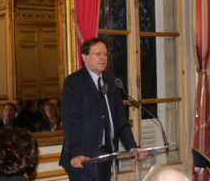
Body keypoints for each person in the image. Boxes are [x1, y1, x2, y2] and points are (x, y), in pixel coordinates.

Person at [59, 38, 146, 181]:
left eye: (105, 54)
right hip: (83, 158)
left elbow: (120, 120)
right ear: (85, 57)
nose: (103, 58)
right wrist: (76, 153)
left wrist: (132, 147)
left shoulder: (111, 81)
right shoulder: (74, 82)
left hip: (106, 155)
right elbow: (71, 121)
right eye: (98, 54)